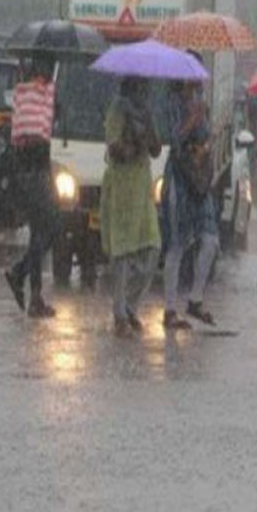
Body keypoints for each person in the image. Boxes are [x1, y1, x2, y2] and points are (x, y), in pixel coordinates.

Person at [100, 76, 163, 338]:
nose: (143, 90)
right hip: (122, 190)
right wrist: (134, 142)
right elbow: (115, 149)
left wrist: (148, 127)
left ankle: (130, 306)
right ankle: (120, 315)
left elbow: (157, 149)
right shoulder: (117, 110)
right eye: (140, 85)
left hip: (142, 190)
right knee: (123, 256)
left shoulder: (146, 112)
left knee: (151, 250)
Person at [160, 79, 219, 331]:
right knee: (177, 245)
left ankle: (195, 299)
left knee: (210, 240)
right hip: (179, 180)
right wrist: (192, 120)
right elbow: (174, 139)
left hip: (199, 181)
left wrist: (204, 141)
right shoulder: (171, 104)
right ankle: (170, 309)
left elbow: (205, 138)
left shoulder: (198, 101)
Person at [5, 52, 58, 318]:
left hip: (22, 169)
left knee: (39, 230)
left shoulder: (21, 92)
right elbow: (43, 131)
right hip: (36, 168)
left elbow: (18, 132)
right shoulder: (45, 93)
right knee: (50, 228)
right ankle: (19, 272)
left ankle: (36, 298)